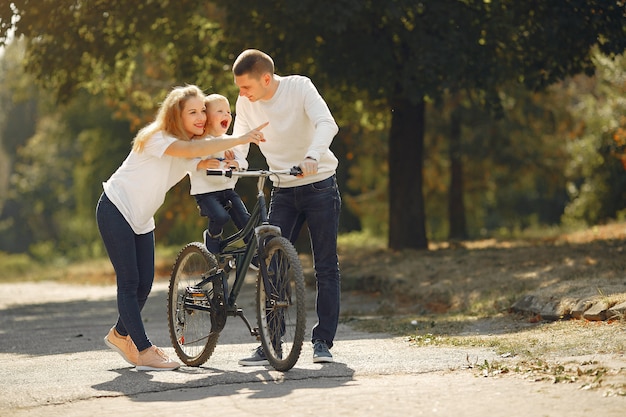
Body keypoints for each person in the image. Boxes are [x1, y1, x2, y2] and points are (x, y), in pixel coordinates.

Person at [96, 85, 265, 371]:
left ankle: (119, 335)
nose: (200, 117)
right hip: (116, 208)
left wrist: (215, 160)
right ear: (177, 114)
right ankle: (145, 351)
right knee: (129, 282)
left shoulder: (191, 144)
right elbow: (191, 150)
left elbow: (198, 155)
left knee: (144, 284)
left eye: (202, 111)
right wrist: (239, 138)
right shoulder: (158, 137)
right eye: (193, 112)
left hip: (142, 218)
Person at [231, 49, 341, 365]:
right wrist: (233, 162)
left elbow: (326, 123)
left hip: (319, 184)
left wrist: (312, 157)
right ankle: (272, 343)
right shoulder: (246, 102)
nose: (242, 94)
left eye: (246, 87)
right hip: (283, 188)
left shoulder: (299, 87)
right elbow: (241, 141)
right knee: (271, 263)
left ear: (266, 78)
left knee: (325, 265)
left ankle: (323, 342)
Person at [188, 94, 250, 255]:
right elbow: (186, 161)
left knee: (247, 222)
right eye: (220, 111)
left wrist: (237, 164)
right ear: (207, 118)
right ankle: (212, 235)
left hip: (228, 190)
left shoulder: (230, 141)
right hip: (206, 193)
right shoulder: (199, 141)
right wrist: (202, 163)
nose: (226, 115)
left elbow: (243, 162)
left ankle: (254, 254)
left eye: (228, 112)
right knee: (221, 217)